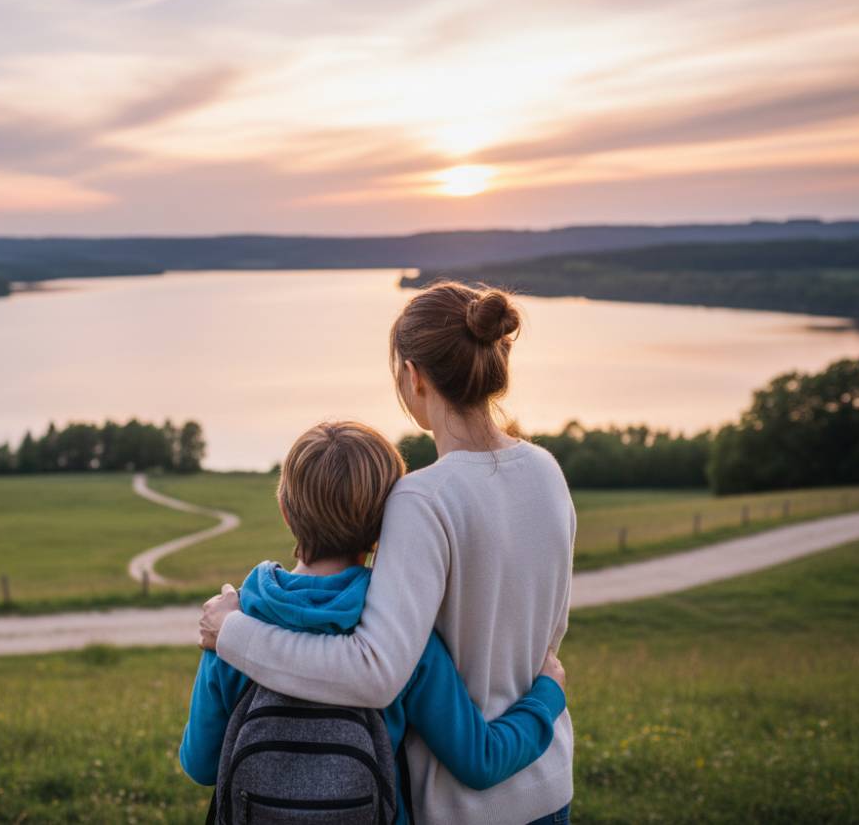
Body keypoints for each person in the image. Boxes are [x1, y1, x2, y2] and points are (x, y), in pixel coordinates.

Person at [199, 282, 576, 824]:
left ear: (413, 376)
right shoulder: (545, 471)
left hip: (459, 807)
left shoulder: (423, 499)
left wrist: (233, 634)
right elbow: (550, 632)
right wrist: (545, 696)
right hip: (548, 782)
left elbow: (375, 670)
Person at [180, 421, 567, 824]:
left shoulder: (235, 623)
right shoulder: (397, 632)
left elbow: (200, 764)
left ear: (285, 510)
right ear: (385, 527)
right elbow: (480, 761)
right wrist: (546, 696)